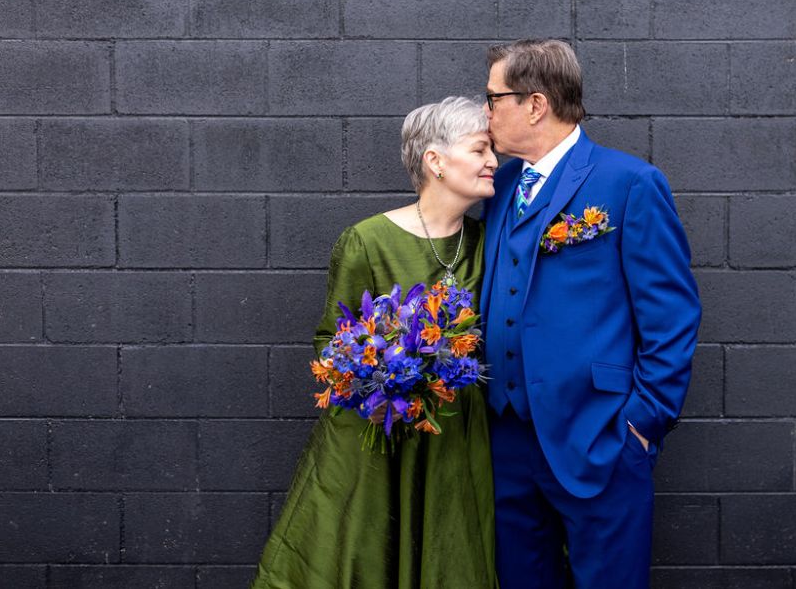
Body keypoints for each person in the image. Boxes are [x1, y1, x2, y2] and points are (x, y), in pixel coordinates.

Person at [251, 96, 499, 589]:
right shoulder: (366, 241)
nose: (494, 161)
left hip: (456, 439)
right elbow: (331, 343)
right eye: (480, 149)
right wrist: (385, 375)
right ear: (436, 160)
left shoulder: (491, 243)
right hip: (380, 441)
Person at [481, 39, 702, 589]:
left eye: (493, 98)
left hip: (599, 435)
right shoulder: (499, 184)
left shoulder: (628, 184)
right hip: (505, 440)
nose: (485, 112)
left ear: (535, 104)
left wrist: (640, 424)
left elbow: (671, 315)